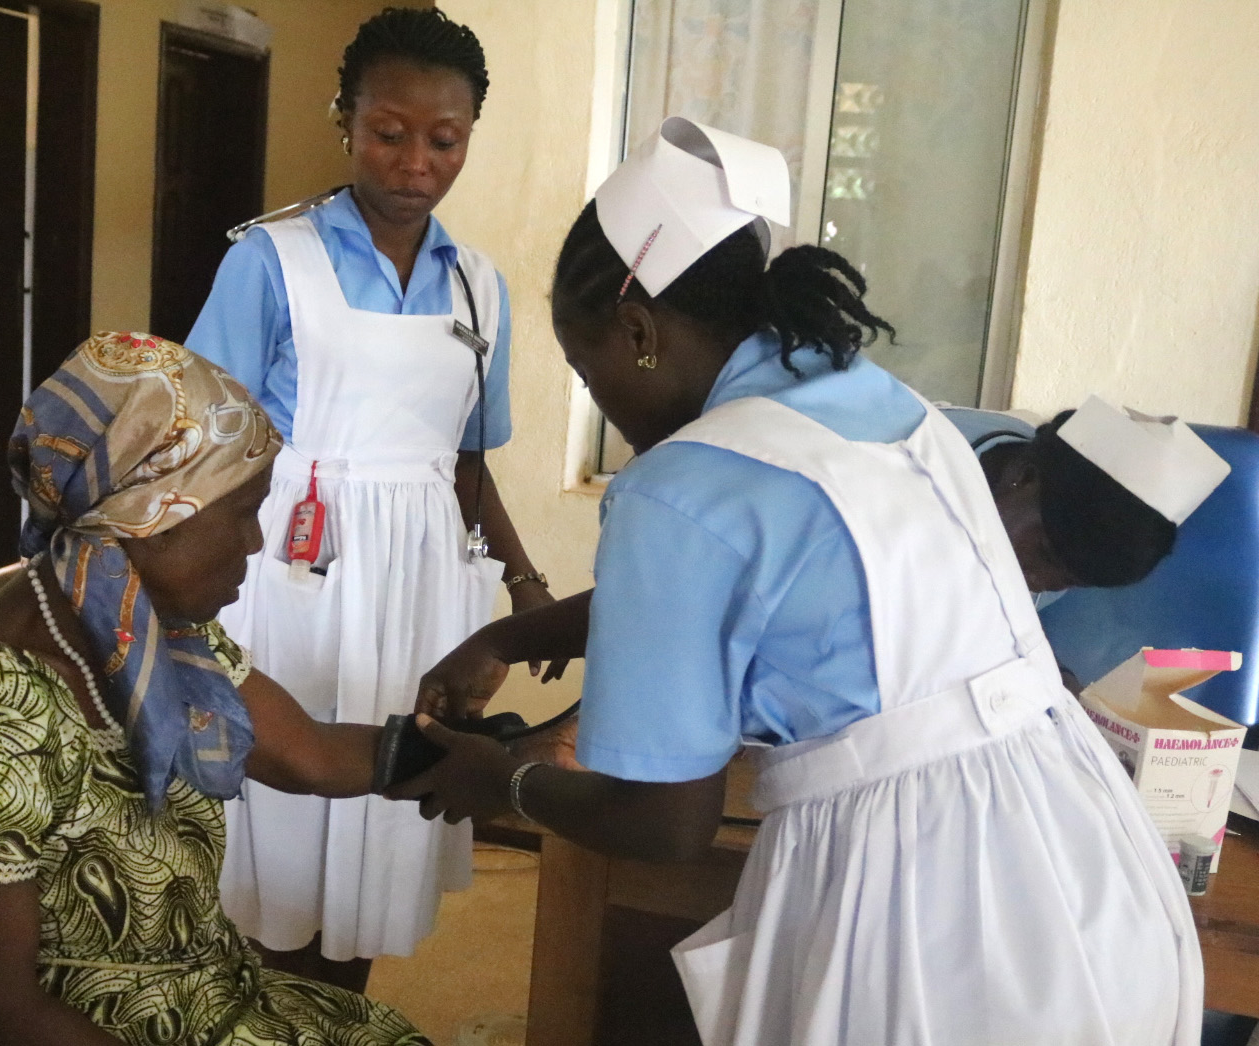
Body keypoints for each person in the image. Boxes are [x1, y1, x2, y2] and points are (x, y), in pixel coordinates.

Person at [390, 119, 1201, 1045]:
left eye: (586, 369)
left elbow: (667, 824)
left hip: (926, 906)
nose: (597, 400)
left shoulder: (678, 484)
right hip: (1085, 862)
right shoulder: (876, 398)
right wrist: (507, 636)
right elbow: (751, 592)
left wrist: (506, 784)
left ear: (639, 329)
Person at [0, 333, 426, 1046]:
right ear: (151, 514)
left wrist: (464, 754)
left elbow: (308, 754)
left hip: (202, 1001)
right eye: (241, 510)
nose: (256, 542)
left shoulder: (152, 635)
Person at [185, 7, 552, 989]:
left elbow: (466, 457)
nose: (415, 162)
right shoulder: (270, 261)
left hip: (418, 581)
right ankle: (261, 1000)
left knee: (382, 810)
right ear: (343, 118)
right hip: (290, 564)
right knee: (282, 814)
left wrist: (526, 583)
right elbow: (195, 446)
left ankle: (334, 1004)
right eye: (389, 132)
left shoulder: (478, 287)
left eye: (445, 139)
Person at [942, 401, 1229, 608]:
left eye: (1071, 581)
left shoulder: (1049, 575)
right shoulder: (921, 458)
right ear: (1024, 477)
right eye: (1046, 554)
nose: (1036, 584)